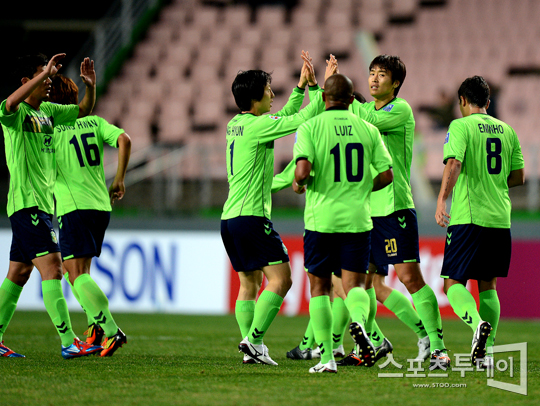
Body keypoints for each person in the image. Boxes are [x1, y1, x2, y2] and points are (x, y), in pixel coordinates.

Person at [325, 55, 450, 370]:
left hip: (394, 208)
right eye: (371, 73)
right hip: (365, 211)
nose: (374, 79)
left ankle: (437, 347)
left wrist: (339, 96)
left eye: (382, 75)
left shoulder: (400, 109)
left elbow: (359, 120)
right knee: (361, 284)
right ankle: (369, 345)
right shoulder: (363, 109)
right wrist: (328, 87)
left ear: (396, 83)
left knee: (409, 278)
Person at [222, 52, 322, 365]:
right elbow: (302, 119)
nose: (272, 94)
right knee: (282, 280)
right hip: (252, 217)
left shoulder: (236, 124)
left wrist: (299, 88)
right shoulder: (257, 126)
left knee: (249, 285)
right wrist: (317, 88)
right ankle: (252, 341)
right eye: (268, 90)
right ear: (255, 98)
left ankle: (254, 348)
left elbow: (285, 114)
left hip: (229, 219)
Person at [0, 53, 102, 359]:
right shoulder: (14, 115)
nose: (49, 84)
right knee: (55, 269)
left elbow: (83, 109)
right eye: (44, 79)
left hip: (43, 206)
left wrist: (91, 87)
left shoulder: (49, 112)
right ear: (26, 82)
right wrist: (41, 74)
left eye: (50, 79)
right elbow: (8, 104)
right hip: (26, 204)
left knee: (18, 274)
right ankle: (69, 341)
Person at [293, 73, 393, 373]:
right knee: (355, 285)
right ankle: (360, 325)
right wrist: (362, 188)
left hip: (321, 219)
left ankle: (326, 359)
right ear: (352, 99)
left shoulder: (310, 126)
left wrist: (302, 184)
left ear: (324, 97)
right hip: (358, 220)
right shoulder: (368, 129)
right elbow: (387, 175)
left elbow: (301, 172)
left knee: (320, 288)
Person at [435, 76, 524, 368]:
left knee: (452, 284)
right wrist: (493, 184)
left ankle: (476, 326)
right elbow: (519, 177)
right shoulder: (508, 131)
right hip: (500, 217)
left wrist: (442, 199)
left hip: (468, 217)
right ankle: (485, 353)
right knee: (488, 285)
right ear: (487, 102)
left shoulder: (460, 126)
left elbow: (455, 163)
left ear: (462, 101)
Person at [48, 74, 131, 357]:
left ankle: (110, 331)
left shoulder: (52, 130)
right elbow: (124, 139)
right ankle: (95, 328)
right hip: (101, 206)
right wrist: (119, 179)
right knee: (83, 272)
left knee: (75, 275)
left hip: (74, 208)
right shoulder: (94, 122)